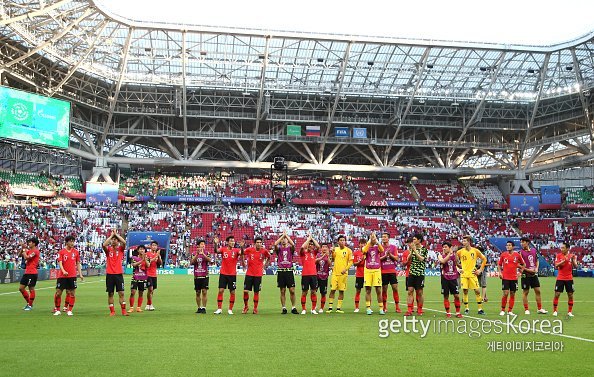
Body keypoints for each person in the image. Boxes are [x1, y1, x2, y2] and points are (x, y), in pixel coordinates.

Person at [53, 236, 83, 316]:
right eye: (71, 241)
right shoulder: (61, 252)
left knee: (72, 293)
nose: (72, 243)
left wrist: (80, 274)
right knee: (58, 292)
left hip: (72, 275)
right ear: (66, 242)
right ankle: (57, 309)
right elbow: (60, 263)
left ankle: (69, 310)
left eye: (73, 241)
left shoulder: (76, 252)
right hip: (62, 276)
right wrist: (63, 271)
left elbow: (78, 263)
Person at [457, 235, 487, 315]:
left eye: (465, 241)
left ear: (469, 242)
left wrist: (480, 270)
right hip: (464, 275)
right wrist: (458, 268)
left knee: (477, 291)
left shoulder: (475, 251)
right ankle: (466, 308)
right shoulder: (460, 252)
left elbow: (484, 259)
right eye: (463, 241)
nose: (463, 242)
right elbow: (454, 261)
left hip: (473, 274)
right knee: (465, 291)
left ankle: (480, 309)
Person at [214, 236, 243, 315]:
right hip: (223, 273)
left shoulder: (236, 250)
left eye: (233, 241)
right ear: (227, 242)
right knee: (221, 290)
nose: (233, 242)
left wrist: (242, 247)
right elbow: (216, 251)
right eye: (231, 241)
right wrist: (215, 244)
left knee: (232, 292)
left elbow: (242, 253)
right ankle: (219, 309)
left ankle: (230, 309)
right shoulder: (223, 249)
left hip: (232, 275)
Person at [102, 229, 128, 316]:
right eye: (113, 239)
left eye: (115, 239)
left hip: (118, 274)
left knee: (121, 293)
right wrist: (111, 236)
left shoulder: (120, 249)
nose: (114, 241)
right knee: (110, 293)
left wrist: (116, 235)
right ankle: (112, 311)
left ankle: (123, 311)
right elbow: (104, 244)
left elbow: (124, 242)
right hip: (109, 274)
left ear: (118, 241)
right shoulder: (108, 250)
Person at [242, 237, 270, 314]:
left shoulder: (264, 251)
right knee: (245, 291)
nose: (259, 244)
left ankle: (255, 308)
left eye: (260, 242)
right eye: (257, 242)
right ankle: (246, 307)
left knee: (256, 292)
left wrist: (265, 266)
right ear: (255, 243)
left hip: (258, 275)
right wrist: (243, 263)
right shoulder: (249, 249)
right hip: (249, 274)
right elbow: (242, 254)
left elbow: (269, 257)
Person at [520, 237, 547, 314]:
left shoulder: (534, 250)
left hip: (534, 274)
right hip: (525, 275)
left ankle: (539, 309)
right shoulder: (520, 252)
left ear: (527, 242)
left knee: (538, 291)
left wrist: (536, 268)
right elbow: (519, 265)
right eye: (521, 242)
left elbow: (537, 260)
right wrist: (528, 270)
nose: (522, 244)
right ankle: (526, 309)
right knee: (526, 292)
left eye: (523, 242)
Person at [497, 241, 525, 317]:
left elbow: (523, 264)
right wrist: (500, 272)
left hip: (514, 278)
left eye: (509, 245)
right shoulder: (503, 255)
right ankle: (502, 310)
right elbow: (499, 265)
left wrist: (520, 272)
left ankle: (510, 310)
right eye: (507, 245)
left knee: (512, 294)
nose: (507, 246)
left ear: (513, 247)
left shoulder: (517, 255)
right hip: (505, 277)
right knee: (505, 293)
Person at [274, 231, 298, 314]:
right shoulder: (279, 249)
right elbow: (275, 244)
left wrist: (286, 236)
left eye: (285, 239)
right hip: (281, 272)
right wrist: (282, 236)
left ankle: (293, 307)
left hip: (289, 271)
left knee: (292, 290)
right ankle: (284, 308)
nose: (284, 240)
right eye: (282, 239)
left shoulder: (290, 249)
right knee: (282, 290)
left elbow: (293, 244)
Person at [327, 235, 353, 313]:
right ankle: (330, 307)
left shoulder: (348, 250)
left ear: (345, 241)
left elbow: (351, 261)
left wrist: (345, 269)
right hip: (335, 273)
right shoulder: (335, 249)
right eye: (341, 240)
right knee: (332, 290)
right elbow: (333, 258)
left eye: (343, 240)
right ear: (338, 242)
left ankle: (338, 308)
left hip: (343, 274)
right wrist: (332, 252)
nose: (342, 241)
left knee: (341, 291)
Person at [405, 233, 428, 316]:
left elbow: (422, 259)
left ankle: (420, 309)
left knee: (419, 292)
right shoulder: (412, 249)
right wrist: (412, 251)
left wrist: (414, 250)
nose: (413, 241)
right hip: (412, 273)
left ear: (419, 240)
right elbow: (408, 259)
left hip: (420, 273)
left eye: (414, 239)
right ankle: (409, 310)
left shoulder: (424, 250)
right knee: (410, 291)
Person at [553, 241, 578, 317]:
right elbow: (556, 266)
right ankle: (555, 311)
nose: (561, 249)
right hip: (560, 278)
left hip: (569, 278)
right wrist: (564, 260)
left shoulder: (572, 256)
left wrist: (573, 260)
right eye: (561, 247)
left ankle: (569, 312)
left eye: (563, 248)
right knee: (557, 294)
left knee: (570, 295)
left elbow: (576, 267)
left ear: (567, 248)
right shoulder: (558, 255)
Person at [438, 241, 462, 318]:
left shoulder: (454, 255)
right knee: (446, 296)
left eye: (446, 247)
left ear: (449, 248)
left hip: (453, 278)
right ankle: (448, 312)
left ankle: (458, 312)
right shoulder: (440, 255)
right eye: (443, 247)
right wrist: (450, 253)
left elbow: (458, 264)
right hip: (444, 278)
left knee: (457, 296)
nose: (444, 248)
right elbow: (443, 261)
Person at [362, 232, 384, 315]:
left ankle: (381, 308)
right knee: (368, 290)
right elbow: (364, 251)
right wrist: (369, 242)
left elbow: (382, 250)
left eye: (374, 237)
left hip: (376, 270)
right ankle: (368, 308)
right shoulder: (366, 247)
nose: (373, 239)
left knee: (378, 290)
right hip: (368, 270)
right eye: (372, 237)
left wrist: (377, 242)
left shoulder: (377, 247)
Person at [380, 232, 400, 313]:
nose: (383, 238)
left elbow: (397, 258)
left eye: (385, 237)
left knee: (395, 288)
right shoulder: (380, 248)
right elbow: (378, 259)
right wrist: (385, 256)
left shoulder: (393, 247)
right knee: (384, 289)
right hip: (383, 271)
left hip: (392, 271)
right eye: (382, 237)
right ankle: (384, 307)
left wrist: (390, 255)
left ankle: (397, 307)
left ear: (388, 238)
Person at [299, 234, 319, 315]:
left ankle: (313, 309)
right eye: (309, 244)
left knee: (313, 292)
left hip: (313, 275)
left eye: (312, 245)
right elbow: (301, 247)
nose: (311, 246)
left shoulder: (314, 253)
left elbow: (318, 247)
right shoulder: (303, 253)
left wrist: (312, 239)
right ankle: (303, 309)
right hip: (305, 275)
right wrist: (308, 240)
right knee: (304, 292)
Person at [191, 239, 212, 314]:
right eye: (201, 244)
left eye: (204, 244)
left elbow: (210, 260)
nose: (203, 245)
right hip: (197, 276)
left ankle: (204, 307)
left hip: (205, 275)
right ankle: (199, 307)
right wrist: (197, 254)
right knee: (197, 292)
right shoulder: (194, 253)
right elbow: (192, 262)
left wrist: (203, 254)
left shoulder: (207, 253)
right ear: (198, 246)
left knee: (204, 291)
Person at [18, 237, 40, 311]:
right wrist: (22, 248)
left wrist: (24, 250)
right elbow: (19, 255)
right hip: (27, 272)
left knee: (31, 289)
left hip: (32, 273)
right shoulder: (29, 250)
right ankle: (29, 303)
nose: (28, 243)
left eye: (30, 242)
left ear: (34, 243)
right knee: (21, 288)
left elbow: (27, 258)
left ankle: (30, 305)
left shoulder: (35, 251)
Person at [128, 245, 149, 313]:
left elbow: (148, 265)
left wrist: (144, 259)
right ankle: (131, 307)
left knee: (141, 293)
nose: (142, 250)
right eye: (140, 249)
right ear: (138, 250)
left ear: (145, 251)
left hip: (143, 278)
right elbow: (134, 265)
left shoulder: (147, 258)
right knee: (132, 292)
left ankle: (138, 307)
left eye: (143, 249)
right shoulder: (134, 257)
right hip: (135, 277)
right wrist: (142, 260)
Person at [145, 240, 162, 311]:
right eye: (153, 245)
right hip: (148, 274)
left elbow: (160, 263)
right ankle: (150, 304)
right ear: (150, 246)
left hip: (154, 274)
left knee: (152, 291)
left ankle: (148, 304)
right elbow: (147, 262)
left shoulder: (157, 254)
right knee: (150, 289)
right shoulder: (147, 254)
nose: (154, 247)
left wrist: (159, 257)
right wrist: (156, 256)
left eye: (155, 245)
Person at [315, 242, 331, 313]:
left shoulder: (328, 256)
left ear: (327, 248)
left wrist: (327, 256)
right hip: (317, 276)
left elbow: (330, 264)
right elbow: (315, 262)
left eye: (326, 247)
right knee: (314, 291)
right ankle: (314, 305)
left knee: (323, 293)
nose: (324, 248)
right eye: (323, 247)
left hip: (324, 277)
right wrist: (321, 257)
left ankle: (321, 308)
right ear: (321, 248)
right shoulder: (317, 255)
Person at [352, 238, 366, 313]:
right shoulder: (356, 253)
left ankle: (368, 307)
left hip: (367, 274)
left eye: (364, 244)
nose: (363, 245)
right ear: (359, 244)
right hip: (359, 274)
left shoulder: (368, 252)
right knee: (358, 291)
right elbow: (354, 264)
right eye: (361, 243)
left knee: (368, 290)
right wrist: (359, 261)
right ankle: (357, 307)